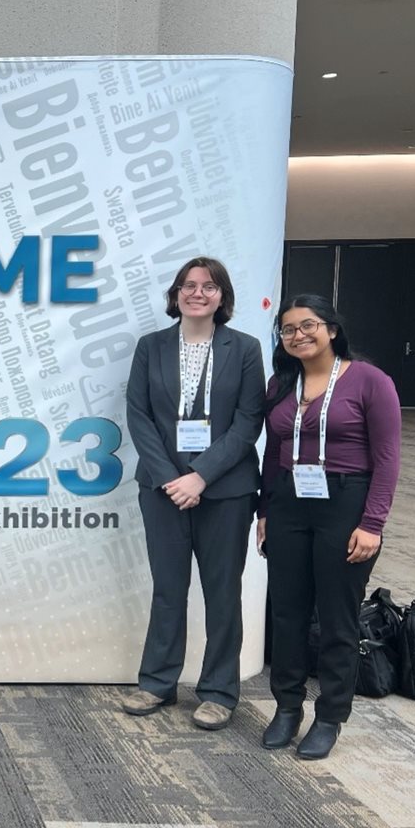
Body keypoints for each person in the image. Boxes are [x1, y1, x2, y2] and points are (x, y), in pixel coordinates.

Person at [121, 256, 265, 729]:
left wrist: (201, 476)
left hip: (225, 490)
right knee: (168, 589)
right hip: (162, 488)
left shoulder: (243, 349)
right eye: (188, 285)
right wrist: (171, 478)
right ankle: (157, 683)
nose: (196, 292)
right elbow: (139, 415)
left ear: (222, 295)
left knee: (222, 591)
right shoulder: (152, 346)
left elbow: (248, 422)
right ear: (176, 294)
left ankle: (219, 692)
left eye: (208, 286)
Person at [257, 295, 400, 760]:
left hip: (346, 503)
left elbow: (387, 459)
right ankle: (287, 708)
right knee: (287, 613)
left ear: (332, 329)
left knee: (338, 618)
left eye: (308, 325)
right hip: (288, 503)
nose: (298, 335)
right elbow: (272, 450)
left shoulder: (369, 381)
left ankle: (331, 715)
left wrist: (373, 523)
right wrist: (264, 512)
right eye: (287, 329)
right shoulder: (281, 385)